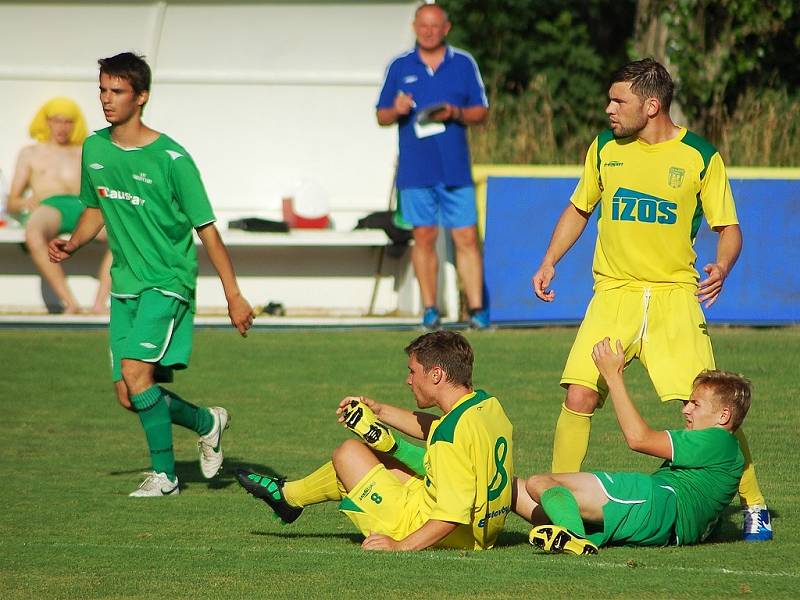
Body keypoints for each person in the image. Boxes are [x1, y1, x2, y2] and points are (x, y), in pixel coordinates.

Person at [530, 58, 770, 541]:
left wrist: (722, 265)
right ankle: (551, 500)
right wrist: (550, 259)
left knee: (704, 406)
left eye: (619, 100)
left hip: (673, 298)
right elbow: (579, 208)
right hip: (613, 294)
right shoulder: (604, 148)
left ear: (652, 104)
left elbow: (729, 229)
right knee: (578, 395)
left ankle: (755, 506)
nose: (608, 108)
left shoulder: (701, 155)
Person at [48, 52, 255, 496]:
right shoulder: (95, 148)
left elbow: (208, 232)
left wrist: (233, 295)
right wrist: (72, 242)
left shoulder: (173, 159)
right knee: (129, 393)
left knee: (136, 372)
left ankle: (165, 477)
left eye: (116, 91)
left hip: (167, 282)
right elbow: (94, 209)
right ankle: (207, 422)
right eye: (102, 90)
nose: (106, 99)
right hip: (126, 286)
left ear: (141, 96)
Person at [236, 330, 514, 551]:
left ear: (437, 374)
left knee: (349, 453)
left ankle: (288, 497)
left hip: (447, 533)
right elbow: (441, 428)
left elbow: (451, 515)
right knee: (373, 459)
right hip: (484, 526)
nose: (408, 380)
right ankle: (287, 498)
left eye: (413, 371)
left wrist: (400, 545)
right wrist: (379, 409)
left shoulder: (448, 438)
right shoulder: (485, 405)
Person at [513, 337, 751, 554]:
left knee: (540, 483)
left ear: (724, 416)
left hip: (658, 502)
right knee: (511, 489)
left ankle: (573, 536)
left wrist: (613, 376)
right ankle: (572, 533)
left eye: (695, 404)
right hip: (660, 521)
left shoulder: (718, 440)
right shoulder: (727, 453)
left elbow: (638, 438)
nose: (685, 409)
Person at [376, 3, 490, 329]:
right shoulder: (400, 66)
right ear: (414, 27)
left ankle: (477, 310)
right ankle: (430, 309)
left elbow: (481, 112)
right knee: (423, 237)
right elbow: (381, 115)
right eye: (423, 26)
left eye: (435, 26)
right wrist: (395, 108)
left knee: (466, 238)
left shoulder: (464, 63)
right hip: (415, 172)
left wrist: (456, 113)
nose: (428, 31)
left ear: (447, 28)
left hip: (455, 169)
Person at [8, 97, 112, 314]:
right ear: (46, 122)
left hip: (84, 206)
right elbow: (12, 201)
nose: (62, 127)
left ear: (76, 124)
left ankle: (99, 304)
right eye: (57, 121)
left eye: (68, 122)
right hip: (49, 206)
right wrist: (29, 202)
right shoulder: (31, 153)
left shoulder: (84, 151)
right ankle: (70, 303)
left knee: (121, 234)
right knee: (33, 234)